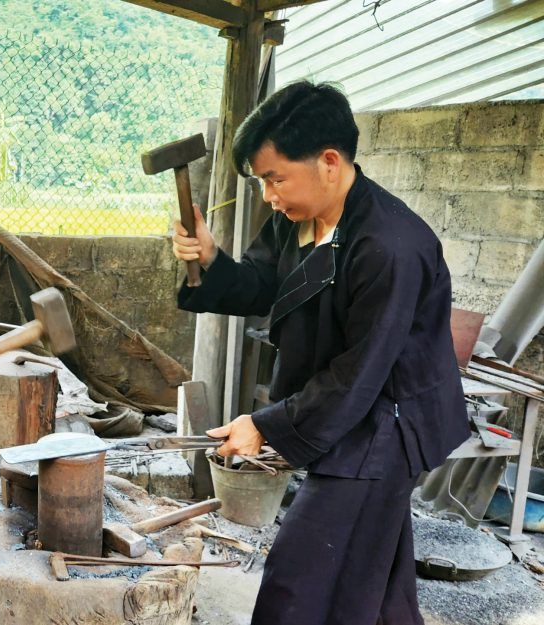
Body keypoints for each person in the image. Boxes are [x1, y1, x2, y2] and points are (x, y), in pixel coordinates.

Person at [172, 82, 469, 624]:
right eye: (263, 181)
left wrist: (264, 424)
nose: (268, 195)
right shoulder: (299, 220)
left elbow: (359, 373)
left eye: (274, 177)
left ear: (328, 161)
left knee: (302, 578)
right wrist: (213, 259)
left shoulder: (389, 245)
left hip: (389, 422)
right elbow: (261, 284)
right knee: (374, 569)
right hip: (353, 407)